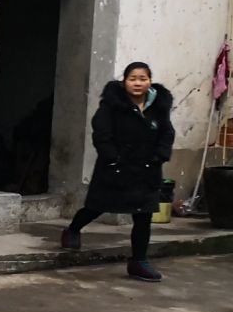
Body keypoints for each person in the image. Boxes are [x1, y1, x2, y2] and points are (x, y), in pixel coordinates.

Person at [61, 62, 175, 282]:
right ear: (124, 81)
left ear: (150, 81)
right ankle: (73, 229)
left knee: (143, 216)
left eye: (143, 79)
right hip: (116, 167)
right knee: (97, 206)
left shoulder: (158, 106)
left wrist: (160, 155)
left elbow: (167, 133)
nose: (137, 83)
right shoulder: (112, 104)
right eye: (133, 79)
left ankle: (139, 261)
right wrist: (112, 158)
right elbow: (101, 132)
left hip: (147, 169)